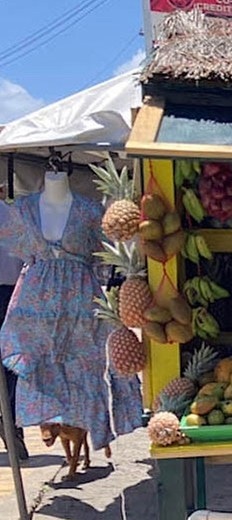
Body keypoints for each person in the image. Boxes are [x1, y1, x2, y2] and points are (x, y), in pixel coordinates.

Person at [0, 170, 142, 456]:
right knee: (37, 362)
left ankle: (94, 427)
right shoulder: (24, 210)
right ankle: (39, 424)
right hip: (37, 301)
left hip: (81, 298)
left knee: (89, 365)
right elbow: (18, 248)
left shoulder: (91, 210)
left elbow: (109, 248)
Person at [0, 216, 28, 460]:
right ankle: (10, 424)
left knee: (11, 361)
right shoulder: (15, 215)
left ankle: (11, 425)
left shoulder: (16, 215)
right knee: (11, 360)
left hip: (12, 292)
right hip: (12, 291)